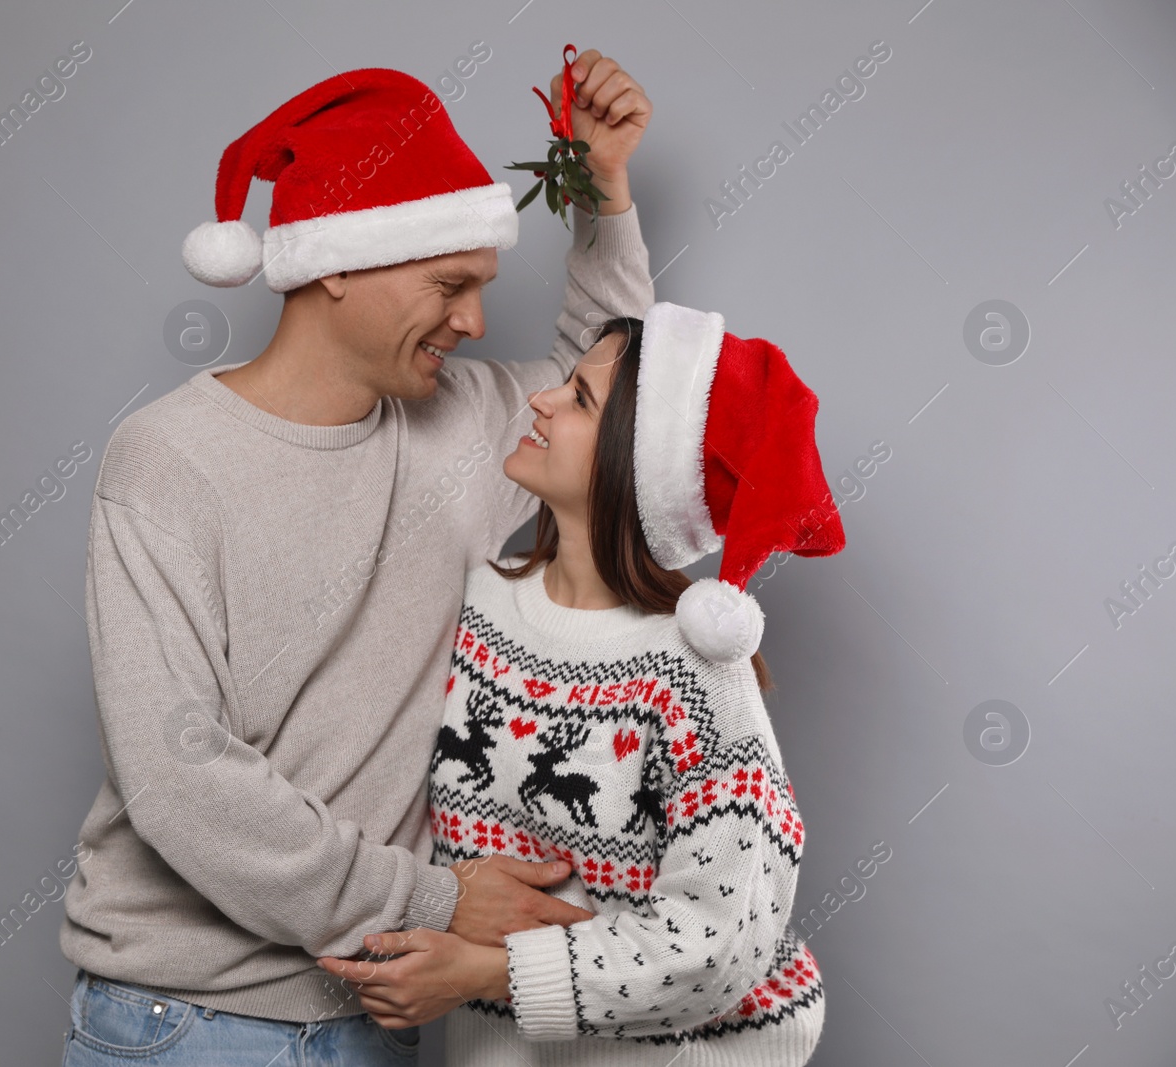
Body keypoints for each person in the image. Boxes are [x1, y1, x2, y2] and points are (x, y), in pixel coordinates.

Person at [57, 50, 658, 1065]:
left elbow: (599, 388)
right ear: (336, 262)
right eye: (450, 282)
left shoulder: (461, 427)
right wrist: (432, 897)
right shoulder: (167, 459)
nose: (473, 321)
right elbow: (177, 770)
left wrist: (602, 190)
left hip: (377, 1018)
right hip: (190, 1028)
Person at [315, 302, 847, 1065]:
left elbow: (722, 937)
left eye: (579, 398)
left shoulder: (696, 673)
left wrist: (489, 973)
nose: (540, 399)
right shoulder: (472, 608)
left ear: (638, 462)